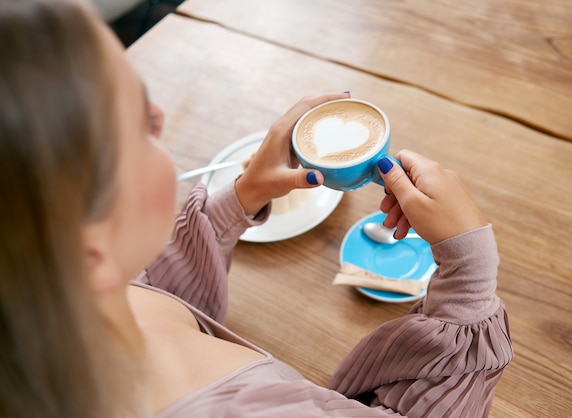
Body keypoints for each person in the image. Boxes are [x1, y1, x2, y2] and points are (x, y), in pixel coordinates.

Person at [0, 0, 513, 417]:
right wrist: (468, 276)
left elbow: (152, 287)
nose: (159, 112)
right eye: (138, 125)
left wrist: (242, 197)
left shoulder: (64, 311)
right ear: (89, 252)